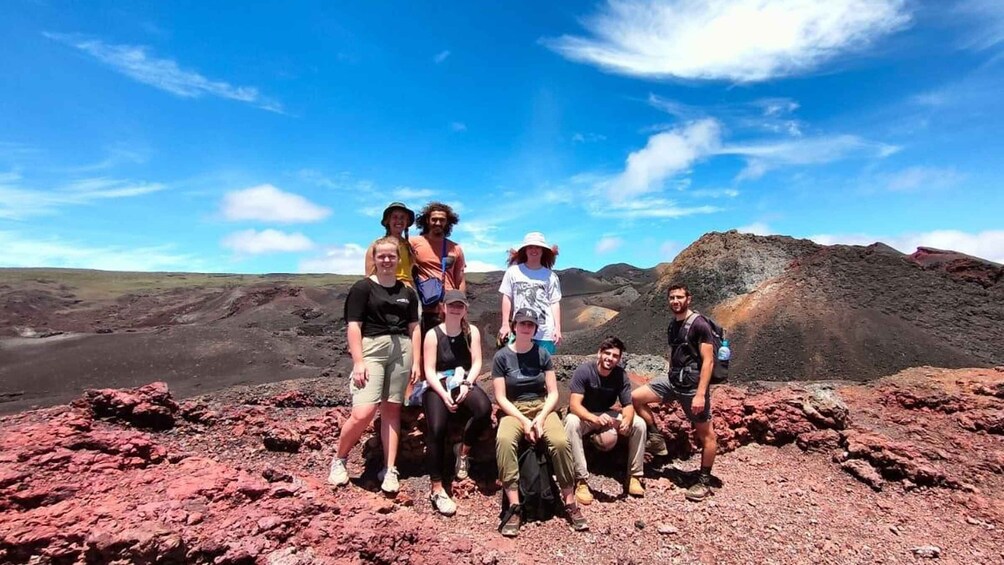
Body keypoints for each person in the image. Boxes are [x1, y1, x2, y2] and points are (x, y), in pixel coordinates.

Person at [328, 236, 422, 494]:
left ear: (398, 259)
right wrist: (358, 361)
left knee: (392, 410)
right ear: (374, 258)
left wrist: (417, 360)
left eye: (392, 256)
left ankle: (389, 468)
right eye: (382, 256)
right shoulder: (363, 288)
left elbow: (414, 328)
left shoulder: (407, 292)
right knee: (364, 411)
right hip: (373, 348)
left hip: (401, 349)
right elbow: (354, 326)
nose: (387, 260)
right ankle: (340, 459)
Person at [493, 308, 587, 537]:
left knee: (560, 442)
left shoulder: (542, 355)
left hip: (542, 407)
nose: (526, 328)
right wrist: (525, 421)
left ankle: (569, 500)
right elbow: (501, 397)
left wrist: (541, 417)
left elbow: (553, 393)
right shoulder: (501, 357)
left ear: (535, 329)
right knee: (504, 441)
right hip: (515, 410)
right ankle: (514, 506)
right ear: (515, 326)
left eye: (531, 325)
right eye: (523, 324)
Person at [631, 284, 718, 502]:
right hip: (672, 381)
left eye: (679, 297)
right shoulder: (673, 325)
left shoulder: (699, 324)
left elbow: (708, 361)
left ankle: (704, 481)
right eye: (671, 297)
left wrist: (700, 394)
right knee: (636, 397)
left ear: (689, 298)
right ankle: (656, 436)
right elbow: (675, 353)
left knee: (706, 433)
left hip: (691, 386)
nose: (675, 301)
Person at [421, 290, 492, 516]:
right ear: (443, 307)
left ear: (465, 308)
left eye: (459, 305)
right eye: (451, 305)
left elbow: (477, 362)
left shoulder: (472, 332)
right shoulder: (433, 334)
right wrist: (443, 394)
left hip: (463, 379)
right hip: (438, 384)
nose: (455, 309)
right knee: (437, 427)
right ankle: (437, 486)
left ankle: (463, 451)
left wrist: (468, 384)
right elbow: (429, 371)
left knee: (483, 409)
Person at [564, 336, 646, 505]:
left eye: (615, 356)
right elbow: (574, 405)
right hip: (585, 415)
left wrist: (627, 421)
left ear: (619, 358)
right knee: (571, 422)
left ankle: (635, 476)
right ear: (599, 353)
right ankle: (581, 481)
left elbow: (628, 405)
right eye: (607, 353)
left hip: (607, 413)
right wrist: (594, 418)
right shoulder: (584, 371)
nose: (610, 358)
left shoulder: (620, 375)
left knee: (639, 424)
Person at [497, 232, 562, 354]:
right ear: (525, 250)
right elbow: (507, 297)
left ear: (543, 251)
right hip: (520, 328)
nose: (534, 250)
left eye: (537, 247)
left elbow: (554, 303)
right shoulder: (513, 272)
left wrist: (557, 328)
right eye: (530, 247)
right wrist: (505, 324)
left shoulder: (550, 276)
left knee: (543, 368)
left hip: (544, 332)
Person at [411, 201, 466, 335]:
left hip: (449, 307)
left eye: (442, 220)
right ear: (427, 221)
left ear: (448, 222)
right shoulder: (414, 243)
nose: (438, 223)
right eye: (434, 219)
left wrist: (462, 306)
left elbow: (460, 279)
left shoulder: (455, 248)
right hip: (425, 308)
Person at [364, 202, 416, 287]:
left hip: (409, 292)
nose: (399, 221)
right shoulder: (377, 245)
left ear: (407, 222)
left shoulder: (409, 246)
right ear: (388, 221)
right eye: (395, 217)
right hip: (388, 291)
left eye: (402, 218)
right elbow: (370, 274)